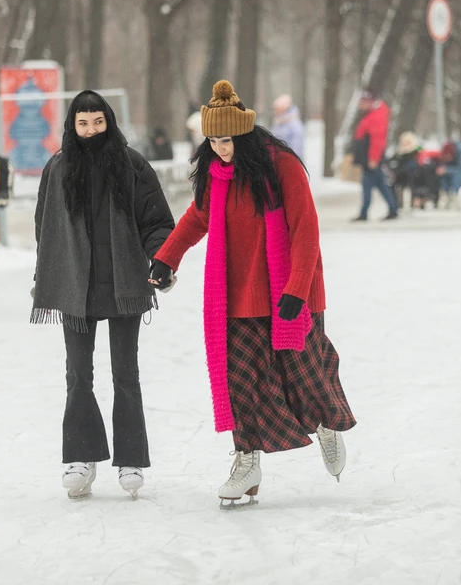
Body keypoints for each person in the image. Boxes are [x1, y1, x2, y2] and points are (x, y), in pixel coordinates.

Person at [148, 80, 356, 509]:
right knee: (242, 382)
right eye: (214, 140)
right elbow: (196, 217)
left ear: (245, 133)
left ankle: (325, 425)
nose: (222, 148)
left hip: (288, 292)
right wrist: (167, 258)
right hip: (238, 295)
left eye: (228, 140)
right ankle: (247, 463)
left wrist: (297, 287)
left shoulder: (281, 165)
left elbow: (305, 228)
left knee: (306, 374)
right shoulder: (216, 173)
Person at [31, 90, 176, 500]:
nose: (91, 130)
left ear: (109, 122)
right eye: (83, 123)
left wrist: (160, 261)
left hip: (124, 284)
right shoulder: (58, 168)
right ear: (72, 126)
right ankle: (81, 456)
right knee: (78, 375)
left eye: (98, 122)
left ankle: (130, 458)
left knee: (125, 375)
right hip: (76, 286)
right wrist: (47, 274)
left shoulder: (131, 165)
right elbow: (46, 227)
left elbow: (157, 221)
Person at [351, 90, 398, 221]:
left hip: (371, 157)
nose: (360, 104)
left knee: (368, 184)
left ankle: (364, 212)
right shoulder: (373, 114)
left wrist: (373, 158)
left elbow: (377, 140)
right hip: (369, 156)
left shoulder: (377, 116)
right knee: (380, 183)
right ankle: (392, 208)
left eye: (362, 101)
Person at [271, 94, 305, 159]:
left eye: (278, 109)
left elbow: (296, 149)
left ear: (285, 109)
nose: (276, 112)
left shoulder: (295, 125)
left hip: (289, 161)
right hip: (278, 160)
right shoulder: (279, 123)